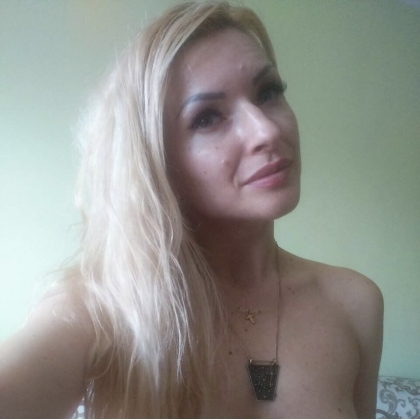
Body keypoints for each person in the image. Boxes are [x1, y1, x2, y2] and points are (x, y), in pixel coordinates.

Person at [0, 1, 383, 418]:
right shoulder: (108, 309)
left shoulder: (355, 303)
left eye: (268, 92)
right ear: (157, 160)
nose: (267, 130)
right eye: (207, 118)